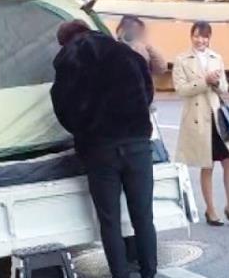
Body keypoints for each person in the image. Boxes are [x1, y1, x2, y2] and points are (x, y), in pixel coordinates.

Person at [51, 20, 158, 278]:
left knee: (110, 222)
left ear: (65, 41)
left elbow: (62, 108)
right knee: (143, 216)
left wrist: (83, 130)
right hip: (137, 144)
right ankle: (149, 272)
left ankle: (120, 274)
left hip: (99, 149)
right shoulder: (124, 52)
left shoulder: (68, 62)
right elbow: (148, 92)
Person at [173, 21, 229, 227]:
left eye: (204, 36)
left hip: (218, 116)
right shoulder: (182, 59)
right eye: (197, 36)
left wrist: (217, 82)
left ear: (209, 38)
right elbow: (181, 89)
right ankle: (210, 209)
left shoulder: (216, 57)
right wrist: (205, 81)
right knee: (207, 164)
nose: (200, 40)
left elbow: (224, 87)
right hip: (197, 118)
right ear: (191, 36)